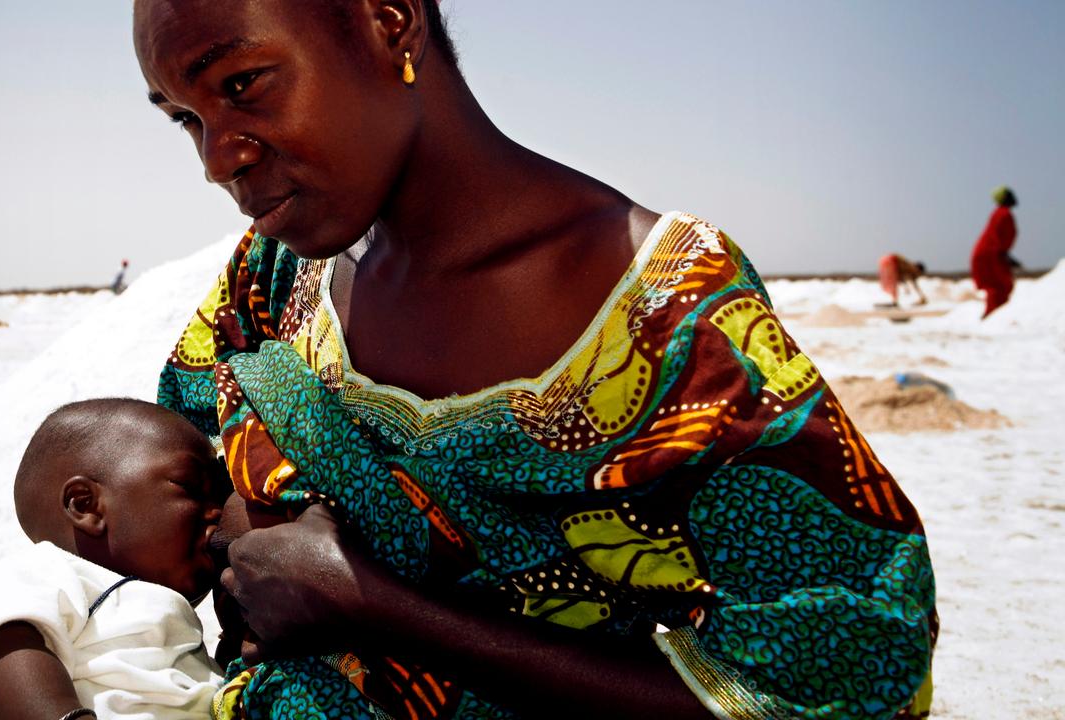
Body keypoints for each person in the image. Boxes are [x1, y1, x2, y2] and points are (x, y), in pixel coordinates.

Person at [142, 2, 936, 719]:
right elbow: (167, 448)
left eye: (241, 84)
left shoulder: (667, 319)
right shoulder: (278, 272)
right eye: (184, 117)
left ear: (389, 22)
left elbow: (842, 681)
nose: (217, 159)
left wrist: (374, 605)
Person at [0, 399, 228, 720]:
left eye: (220, 497)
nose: (218, 511)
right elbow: (2, 658)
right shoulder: (44, 574)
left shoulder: (152, 606)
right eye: (190, 486)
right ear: (84, 505)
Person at [971, 186, 1021, 318]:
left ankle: (993, 316)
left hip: (991, 253)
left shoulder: (1001, 213)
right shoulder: (1003, 214)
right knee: (998, 286)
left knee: (1000, 287)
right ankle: (992, 317)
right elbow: (997, 237)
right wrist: (1003, 255)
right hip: (989, 254)